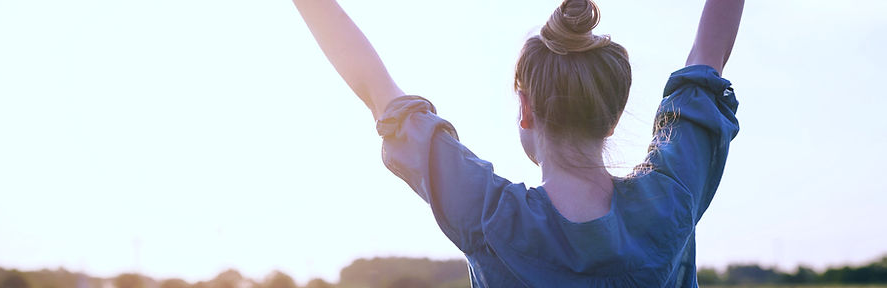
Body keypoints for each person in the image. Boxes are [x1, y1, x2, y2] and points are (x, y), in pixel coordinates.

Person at [293, 0, 743, 286]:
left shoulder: (489, 216)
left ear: (525, 109)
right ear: (614, 115)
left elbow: (379, 92)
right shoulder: (670, 200)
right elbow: (708, 58)